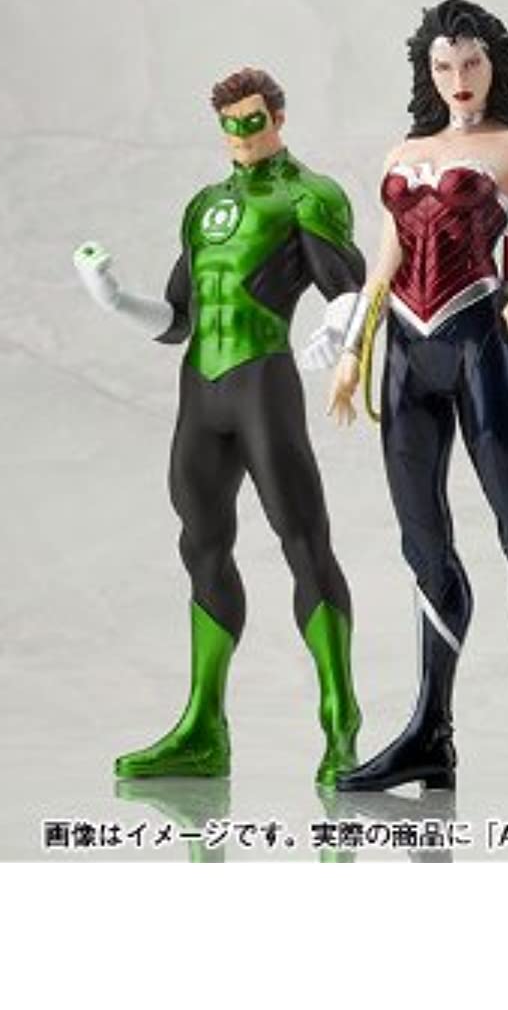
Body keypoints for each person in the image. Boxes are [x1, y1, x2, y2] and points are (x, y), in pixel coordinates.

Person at [321, 0, 508, 799]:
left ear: (494, 64)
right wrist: (352, 354)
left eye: (471, 62)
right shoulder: (405, 150)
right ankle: (431, 733)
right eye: (444, 65)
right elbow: (385, 263)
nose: (458, 78)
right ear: (427, 72)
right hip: (403, 357)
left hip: (478, 345)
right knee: (422, 542)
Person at [72, 67, 365, 786]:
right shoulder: (204, 206)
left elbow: (349, 284)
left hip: (263, 381)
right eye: (230, 124)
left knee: (303, 540)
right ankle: (204, 727)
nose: (242, 134)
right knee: (201, 545)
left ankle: (340, 723)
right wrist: (114, 300)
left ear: (278, 117)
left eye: (253, 120)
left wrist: (339, 329)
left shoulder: (309, 195)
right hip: (200, 390)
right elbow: (179, 319)